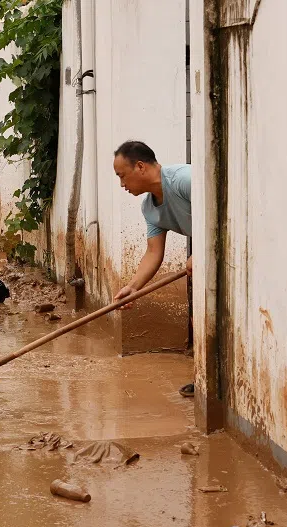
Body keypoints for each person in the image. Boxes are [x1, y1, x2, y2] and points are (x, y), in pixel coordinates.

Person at [112, 140, 194, 397]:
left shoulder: (185, 180)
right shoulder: (149, 207)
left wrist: (202, 251)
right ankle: (205, 378)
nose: (122, 185)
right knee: (200, 319)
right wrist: (133, 287)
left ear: (140, 167)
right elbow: (153, 252)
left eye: (122, 176)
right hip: (208, 258)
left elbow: (223, 210)